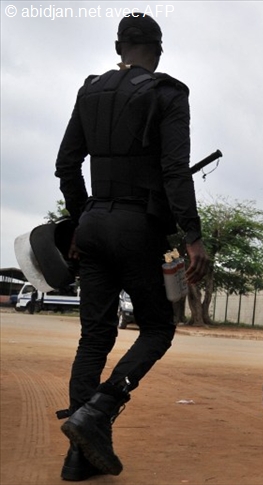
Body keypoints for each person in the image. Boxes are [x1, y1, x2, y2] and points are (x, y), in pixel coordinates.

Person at [54, 13, 210, 481]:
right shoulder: (168, 93)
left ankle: (79, 457)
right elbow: (174, 170)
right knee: (159, 328)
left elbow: (66, 166)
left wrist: (82, 222)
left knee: (95, 334)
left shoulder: (89, 91)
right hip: (138, 227)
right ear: (158, 51)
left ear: (118, 47)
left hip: (94, 225)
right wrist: (193, 236)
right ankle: (101, 408)